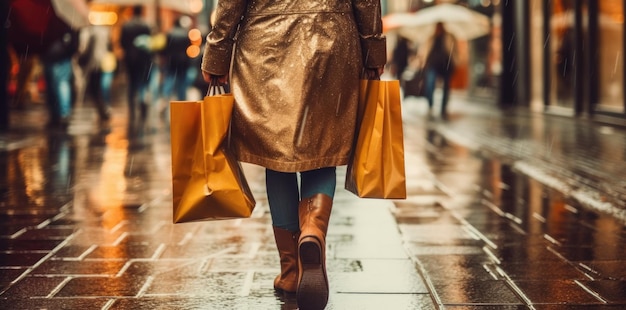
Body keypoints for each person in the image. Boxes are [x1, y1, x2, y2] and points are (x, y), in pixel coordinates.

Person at [200, 1, 386, 309]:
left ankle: (290, 271)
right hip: (332, 35)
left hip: (265, 42)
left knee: (276, 152)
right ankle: (312, 228)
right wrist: (373, 48)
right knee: (322, 144)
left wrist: (217, 51)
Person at [120, 5, 154, 119]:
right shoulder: (146, 25)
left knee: (131, 82)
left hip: (130, 58)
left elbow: (122, 43)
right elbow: (149, 42)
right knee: (142, 81)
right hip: (144, 58)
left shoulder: (126, 25)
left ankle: (131, 106)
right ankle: (142, 99)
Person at [422, 22, 457, 118]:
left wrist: (455, 60)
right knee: (430, 84)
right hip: (433, 64)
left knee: (446, 87)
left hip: (446, 64)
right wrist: (423, 62)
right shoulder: (431, 37)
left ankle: (443, 107)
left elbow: (453, 51)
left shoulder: (449, 36)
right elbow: (426, 50)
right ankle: (430, 104)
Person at [161, 16, 195, 103]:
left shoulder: (169, 33)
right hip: (183, 62)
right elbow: (188, 49)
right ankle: (182, 101)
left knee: (170, 79)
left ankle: (166, 97)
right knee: (182, 83)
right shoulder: (185, 34)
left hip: (171, 61)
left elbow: (165, 49)